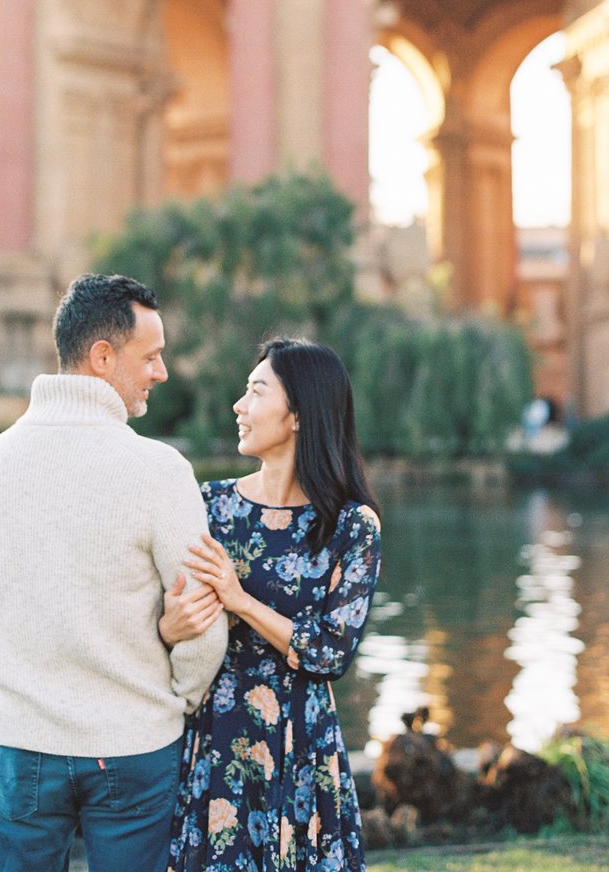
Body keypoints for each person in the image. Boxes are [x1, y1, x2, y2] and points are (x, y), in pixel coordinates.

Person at [0, 273, 228, 872]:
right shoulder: (157, 469)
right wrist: (176, 699)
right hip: (133, 745)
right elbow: (206, 621)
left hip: (22, 745)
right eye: (152, 356)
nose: (161, 372)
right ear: (103, 356)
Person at [165, 337, 382, 872]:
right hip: (215, 737)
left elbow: (330, 653)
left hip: (300, 746)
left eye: (256, 392)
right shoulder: (207, 506)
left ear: (300, 416)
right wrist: (169, 628)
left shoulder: (351, 526)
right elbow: (159, 620)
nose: (239, 407)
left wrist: (240, 600)